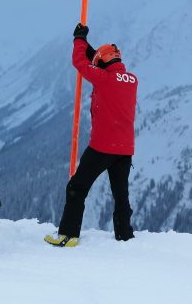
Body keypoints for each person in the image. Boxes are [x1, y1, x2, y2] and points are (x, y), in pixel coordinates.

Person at [45, 23, 138, 247]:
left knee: (77, 188)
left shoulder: (103, 79)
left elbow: (81, 63)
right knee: (120, 195)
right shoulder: (132, 80)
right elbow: (100, 62)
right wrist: (89, 46)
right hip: (125, 149)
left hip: (102, 147)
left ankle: (68, 234)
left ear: (103, 62)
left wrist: (78, 40)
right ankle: (124, 235)